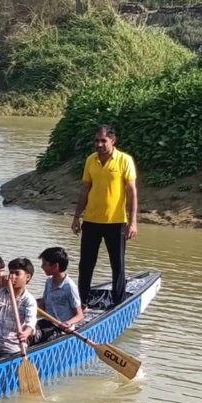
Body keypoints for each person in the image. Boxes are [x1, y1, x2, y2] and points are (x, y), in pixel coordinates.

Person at [72, 124, 138, 306]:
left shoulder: (124, 160)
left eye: (103, 141)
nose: (99, 144)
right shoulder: (90, 160)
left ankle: (118, 302)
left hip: (116, 223)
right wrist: (77, 217)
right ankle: (81, 302)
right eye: (96, 141)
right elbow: (85, 188)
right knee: (85, 265)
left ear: (112, 140)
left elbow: (132, 192)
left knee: (117, 265)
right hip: (91, 221)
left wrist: (133, 222)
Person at [36, 246, 84, 341]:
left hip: (62, 328)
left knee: (39, 337)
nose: (42, 267)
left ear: (55, 266)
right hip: (48, 322)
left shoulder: (69, 286)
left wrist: (68, 323)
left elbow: (80, 315)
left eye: (44, 264)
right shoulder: (48, 282)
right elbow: (42, 306)